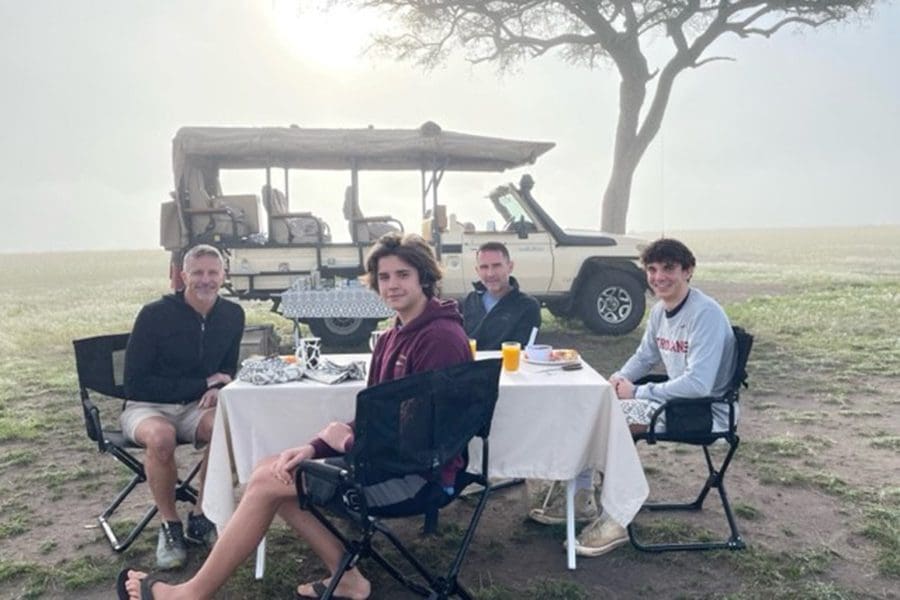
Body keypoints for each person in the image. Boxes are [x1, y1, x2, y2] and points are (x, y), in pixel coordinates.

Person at [117, 232, 471, 600]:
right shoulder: (393, 335)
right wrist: (313, 447)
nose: (392, 285)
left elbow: (426, 435)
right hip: (390, 460)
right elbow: (380, 417)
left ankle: (189, 594)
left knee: (272, 481)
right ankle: (347, 577)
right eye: (384, 277)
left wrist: (347, 441)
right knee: (273, 468)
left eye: (403, 275)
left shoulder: (439, 338)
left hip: (419, 475)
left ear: (424, 278)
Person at [564, 237, 738, 558]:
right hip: (675, 403)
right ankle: (582, 496)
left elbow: (699, 385)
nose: (659, 277)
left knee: (617, 422)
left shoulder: (706, 315)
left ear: (688, 271)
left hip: (704, 411)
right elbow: (645, 357)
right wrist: (620, 378)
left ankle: (617, 519)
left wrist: (639, 391)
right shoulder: (661, 310)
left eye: (669, 268)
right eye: (652, 269)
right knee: (596, 410)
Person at [122, 244, 245, 570]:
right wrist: (204, 383)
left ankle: (202, 516)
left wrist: (220, 386)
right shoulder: (154, 315)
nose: (205, 280)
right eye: (198, 273)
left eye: (212, 273)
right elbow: (135, 383)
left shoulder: (233, 315)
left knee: (229, 428)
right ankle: (170, 526)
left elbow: (228, 369)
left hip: (195, 407)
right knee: (161, 438)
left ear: (224, 275)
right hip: (147, 406)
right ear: (182, 275)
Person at [462, 241, 541, 350]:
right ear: (477, 271)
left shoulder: (527, 306)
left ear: (510, 267)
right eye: (484, 267)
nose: (490, 273)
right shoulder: (469, 301)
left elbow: (522, 349)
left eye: (496, 266)